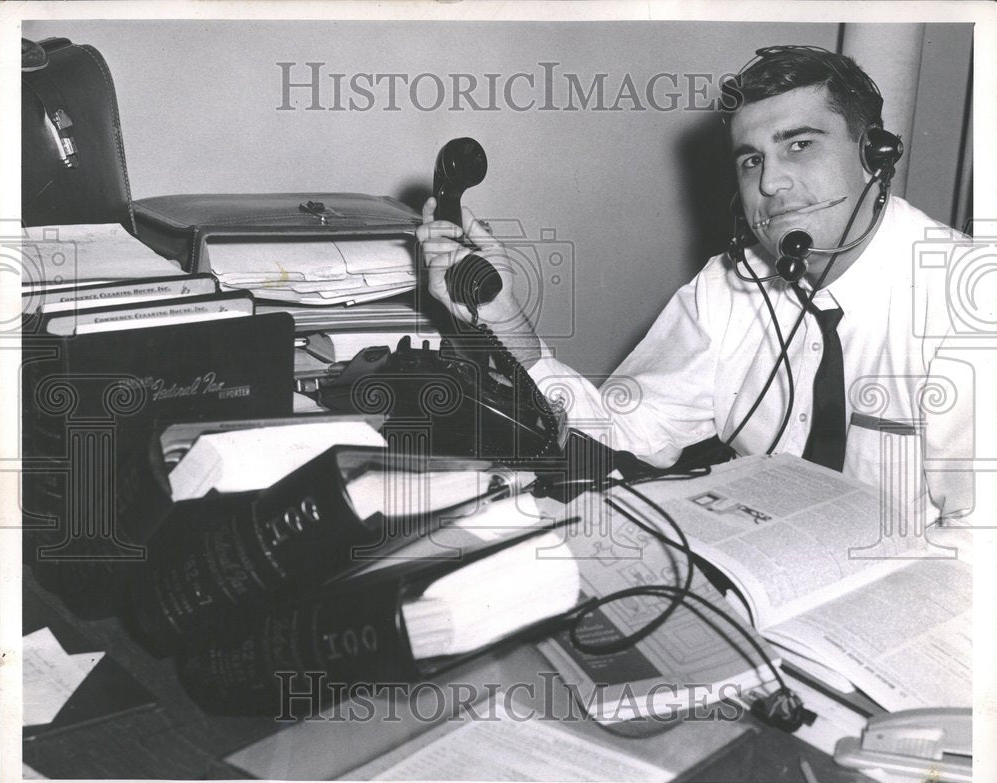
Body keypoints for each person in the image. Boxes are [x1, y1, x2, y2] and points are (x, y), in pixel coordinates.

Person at [417, 45, 978, 527]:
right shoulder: (731, 285)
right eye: (751, 160)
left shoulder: (969, 302)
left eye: (800, 146)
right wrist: (503, 314)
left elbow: (979, 548)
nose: (771, 183)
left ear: (875, 156)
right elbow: (626, 424)